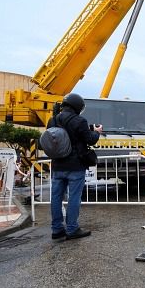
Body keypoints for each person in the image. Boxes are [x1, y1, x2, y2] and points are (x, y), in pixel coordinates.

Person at [48, 93, 102, 240]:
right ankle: (72, 229)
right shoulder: (79, 120)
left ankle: (56, 229)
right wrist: (96, 132)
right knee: (74, 198)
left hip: (57, 165)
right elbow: (90, 140)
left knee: (56, 198)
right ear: (77, 106)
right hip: (75, 166)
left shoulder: (52, 120)